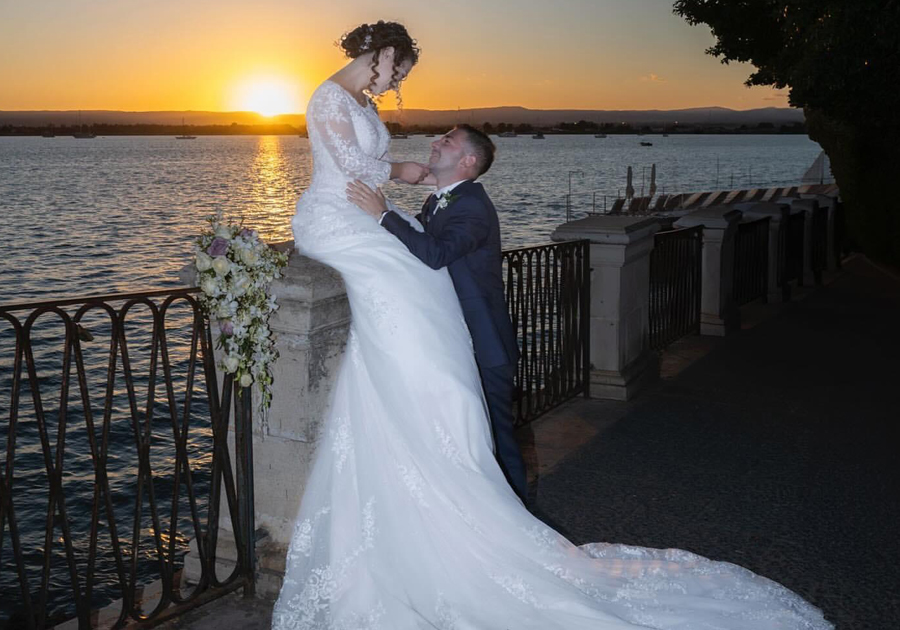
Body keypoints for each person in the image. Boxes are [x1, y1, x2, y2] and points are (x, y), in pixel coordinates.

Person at [271, 20, 832, 630]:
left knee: (419, 291)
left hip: (369, 213)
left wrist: (410, 178)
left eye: (400, 76)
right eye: (397, 72)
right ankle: (446, 432)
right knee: (412, 288)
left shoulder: (368, 111)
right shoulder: (329, 97)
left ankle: (452, 444)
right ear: (379, 55)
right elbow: (352, 163)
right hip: (335, 217)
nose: (397, 83)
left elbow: (386, 178)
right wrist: (409, 179)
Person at [346, 125, 528, 504]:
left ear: (468, 161)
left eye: (447, 141)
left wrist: (383, 214)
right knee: (469, 437)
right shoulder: (442, 199)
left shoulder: (472, 206)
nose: (434, 143)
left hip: (485, 343)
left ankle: (525, 528)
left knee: (498, 439)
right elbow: (416, 243)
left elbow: (436, 254)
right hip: (454, 337)